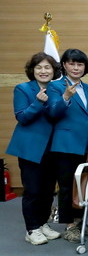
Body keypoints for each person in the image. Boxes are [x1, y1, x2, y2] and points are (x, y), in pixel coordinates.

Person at [6, 52, 62, 245]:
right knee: (33, 190)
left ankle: (43, 223)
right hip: (30, 148)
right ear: (32, 70)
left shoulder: (56, 89)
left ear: (54, 71)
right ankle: (32, 229)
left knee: (48, 189)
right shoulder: (22, 89)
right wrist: (38, 102)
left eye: (47, 67)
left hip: (52, 147)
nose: (43, 71)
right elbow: (22, 117)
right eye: (39, 67)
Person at [47, 49, 88, 243]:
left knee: (82, 184)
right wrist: (66, 97)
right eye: (72, 64)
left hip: (86, 144)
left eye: (80, 64)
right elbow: (52, 112)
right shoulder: (55, 86)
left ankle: (79, 221)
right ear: (64, 65)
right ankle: (69, 225)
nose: (76, 68)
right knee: (66, 185)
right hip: (65, 144)